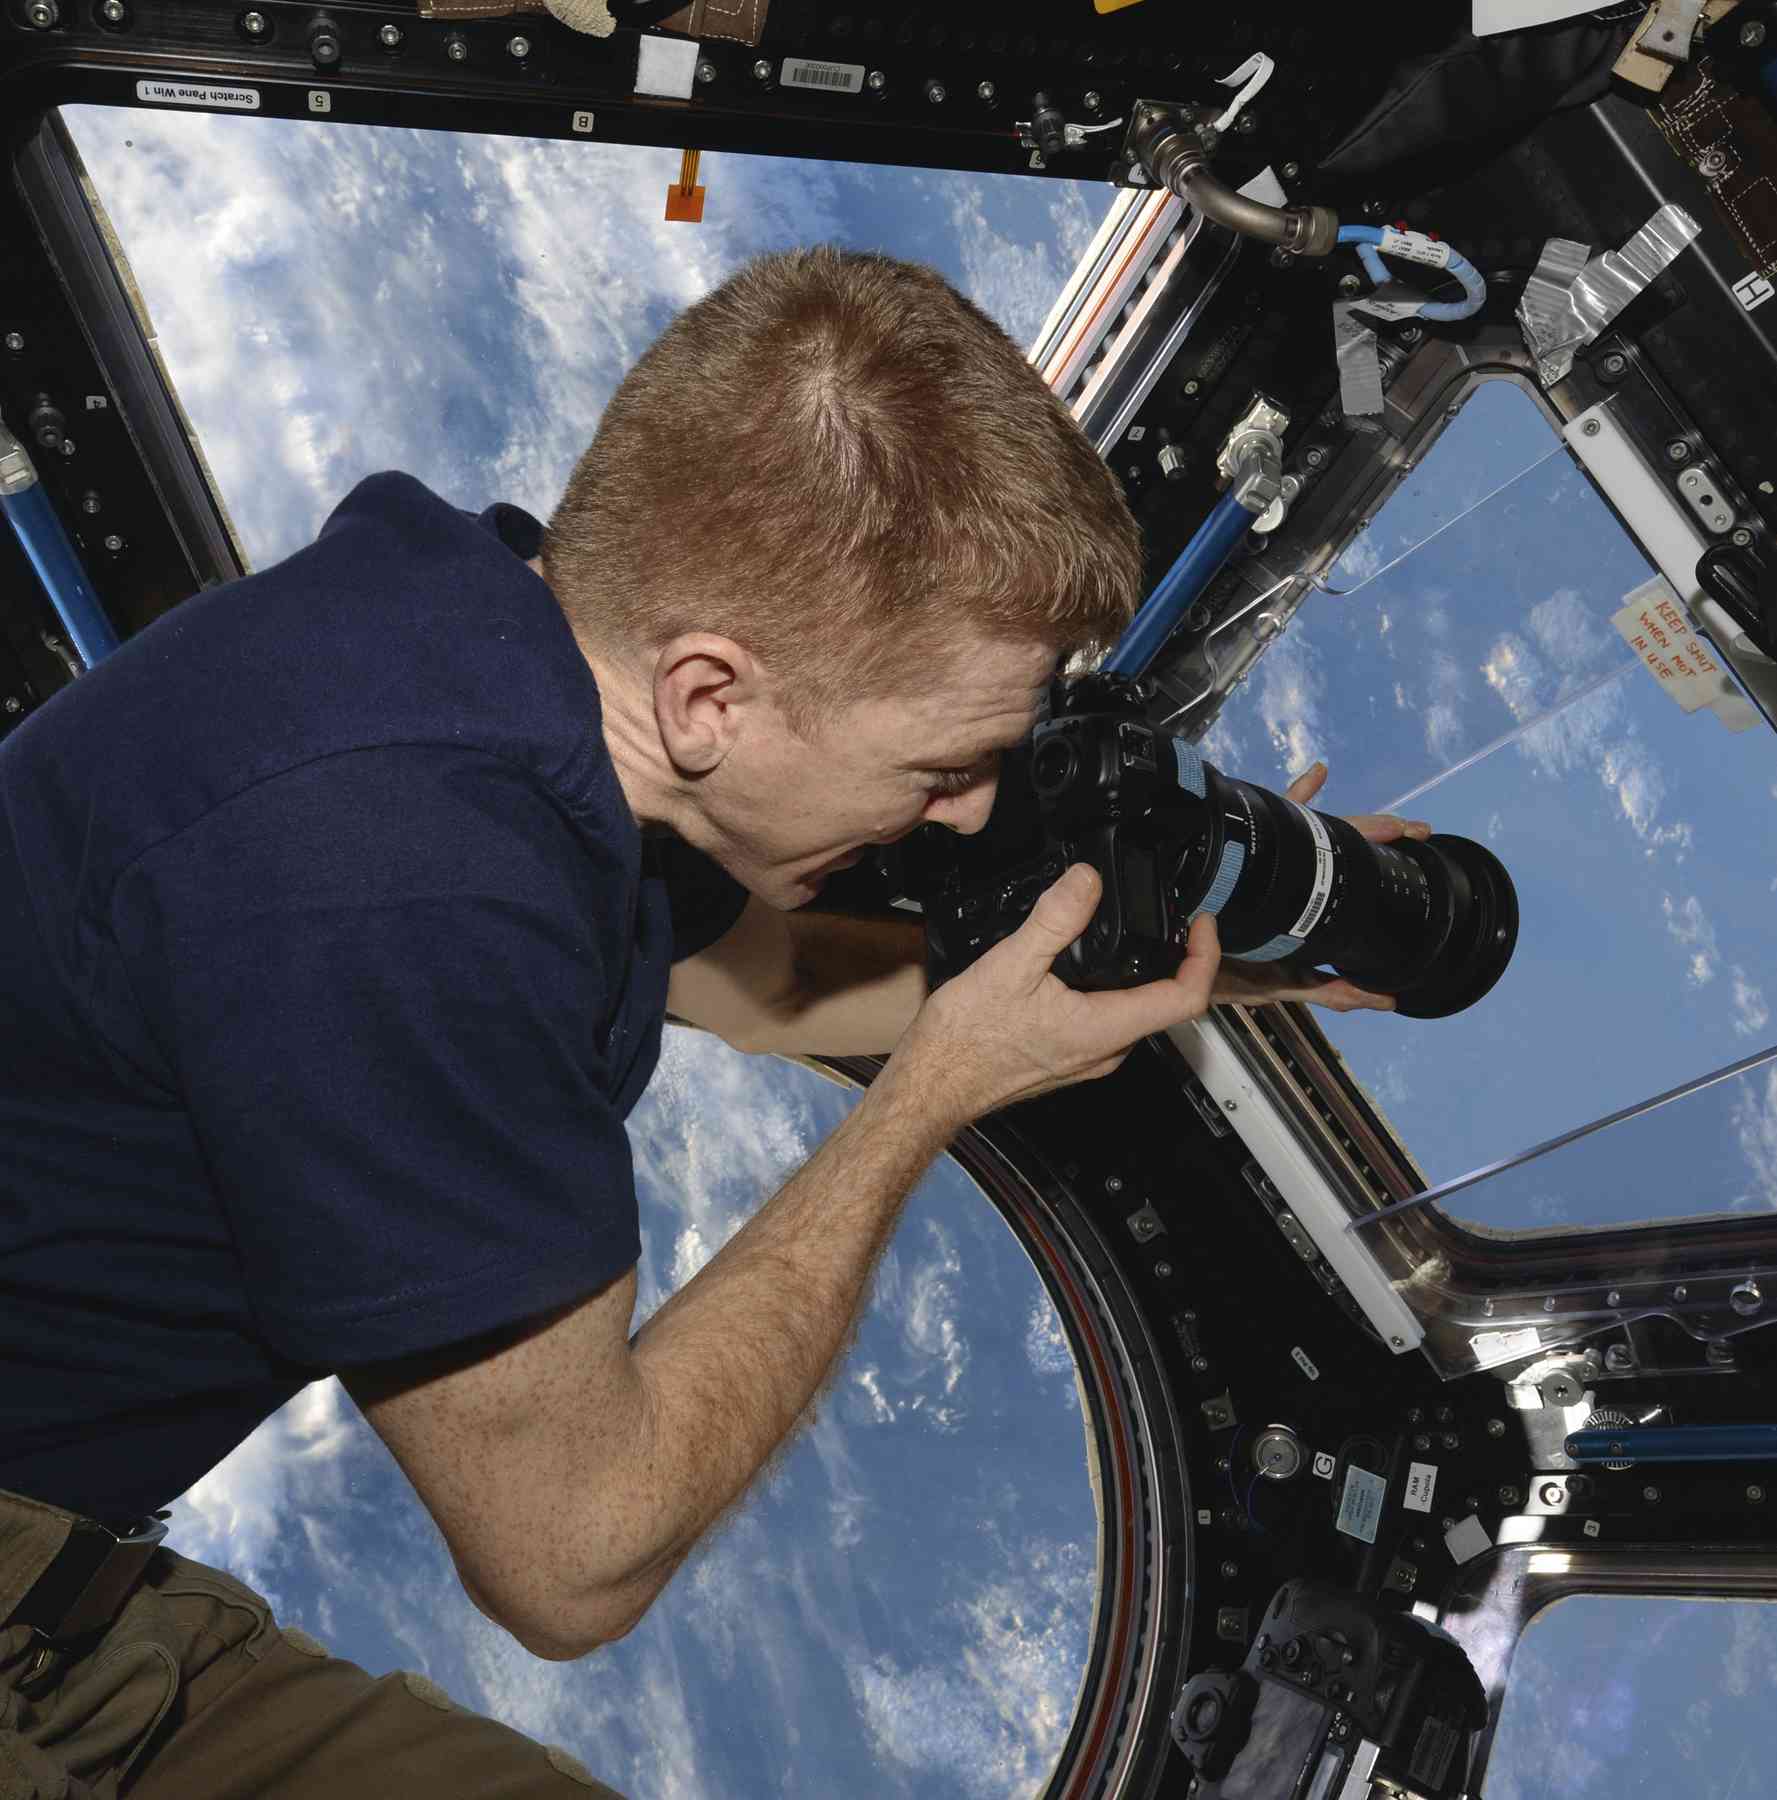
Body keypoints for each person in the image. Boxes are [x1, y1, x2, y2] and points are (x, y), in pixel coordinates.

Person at [0, 245, 1428, 1797]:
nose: (957, 820)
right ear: (708, 698)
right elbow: (572, 1557)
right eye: (938, 764)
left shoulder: (486, 658)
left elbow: (774, 982)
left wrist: (1226, 960)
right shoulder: (395, 879)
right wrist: (928, 1102)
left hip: (76, 1601)